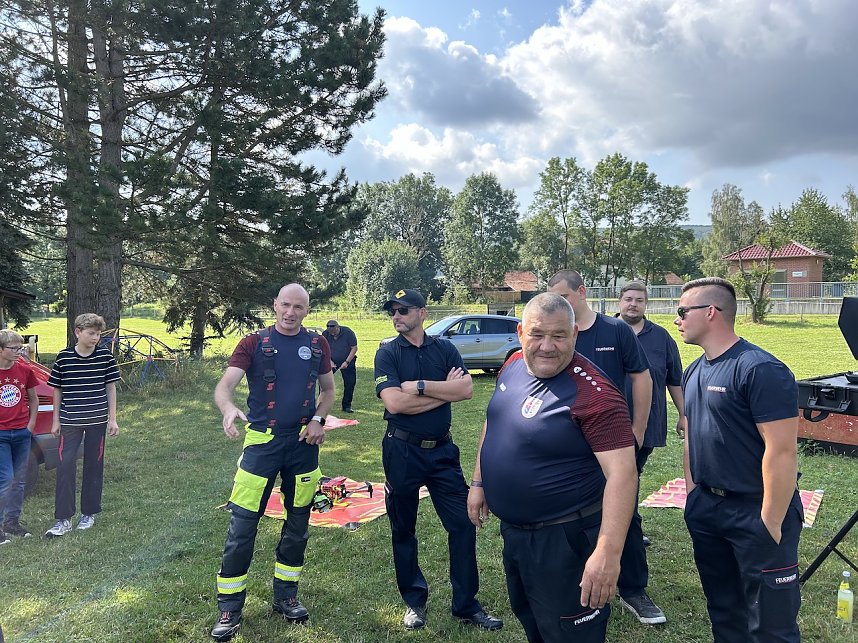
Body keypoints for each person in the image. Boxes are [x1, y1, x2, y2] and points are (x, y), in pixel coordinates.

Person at [468, 292, 637, 642]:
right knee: (534, 622)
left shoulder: (596, 395)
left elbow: (623, 474)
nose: (547, 346)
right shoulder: (514, 363)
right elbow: (494, 420)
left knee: (569, 633)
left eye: (559, 336)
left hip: (565, 541)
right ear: (520, 333)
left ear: (574, 335)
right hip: (516, 534)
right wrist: (479, 482)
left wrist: (607, 552)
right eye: (537, 334)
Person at [677, 277, 802, 642]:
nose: (677, 319)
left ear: (711, 312)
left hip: (755, 511)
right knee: (725, 612)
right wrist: (692, 494)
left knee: (769, 625)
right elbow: (691, 435)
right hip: (707, 509)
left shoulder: (760, 369)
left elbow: (782, 451)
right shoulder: (694, 369)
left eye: (683, 311)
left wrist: (770, 522)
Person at [210, 283, 334, 642]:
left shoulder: (317, 344)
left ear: (307, 311)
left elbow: (327, 392)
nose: (290, 312)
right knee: (242, 526)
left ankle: (286, 596)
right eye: (285, 305)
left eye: (298, 307)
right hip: (262, 443)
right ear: (274, 305)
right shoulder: (252, 343)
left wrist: (318, 420)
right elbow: (225, 385)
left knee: (298, 524)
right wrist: (228, 407)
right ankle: (230, 608)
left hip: (303, 443)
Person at [374, 288, 502, 632]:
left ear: (422, 313)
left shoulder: (445, 348)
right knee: (404, 528)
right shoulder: (386, 352)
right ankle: (414, 601)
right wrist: (439, 391)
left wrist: (415, 386)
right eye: (393, 311)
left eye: (403, 310)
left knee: (462, 524)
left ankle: (466, 605)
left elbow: (465, 391)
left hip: (443, 452)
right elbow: (394, 405)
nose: (396, 316)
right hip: (401, 451)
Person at [547, 270, 664, 625]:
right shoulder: (559, 334)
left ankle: (633, 589)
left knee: (622, 513)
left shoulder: (615, 331)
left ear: (582, 292)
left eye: (564, 298)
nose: (558, 306)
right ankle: (574, 585)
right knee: (570, 515)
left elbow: (641, 377)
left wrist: (638, 428)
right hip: (567, 445)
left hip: (611, 443)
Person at [45, 313, 120, 538]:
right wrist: (55, 419)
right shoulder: (64, 357)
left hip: (97, 421)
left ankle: (89, 513)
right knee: (65, 466)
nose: (95, 338)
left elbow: (111, 388)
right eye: (91, 333)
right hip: (69, 422)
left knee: (94, 466)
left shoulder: (105, 357)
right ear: (77, 332)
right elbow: (57, 389)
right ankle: (64, 519)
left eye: (98, 334)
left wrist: (112, 418)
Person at [616, 282, 686, 471]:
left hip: (647, 422)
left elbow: (674, 379)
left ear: (646, 304)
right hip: (609, 420)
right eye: (628, 299)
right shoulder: (605, 332)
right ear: (619, 302)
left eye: (639, 300)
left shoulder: (661, 337)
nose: (633, 304)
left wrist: (683, 414)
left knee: (632, 474)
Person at [0, 330, 39, 542]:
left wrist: (31, 425)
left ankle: (12, 522)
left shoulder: (24, 370)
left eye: (20, 347)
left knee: (19, 480)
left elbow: (33, 400)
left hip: (22, 432)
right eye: (13, 348)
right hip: (1, 434)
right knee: (5, 478)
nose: (18, 351)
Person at [322, 319, 358, 413]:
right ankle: (321, 404)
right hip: (331, 360)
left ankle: (346, 406)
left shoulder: (348, 332)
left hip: (347, 359)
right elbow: (323, 349)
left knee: (350, 383)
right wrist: (329, 361)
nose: (333, 335)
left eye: (334, 332)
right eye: (331, 333)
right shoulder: (325, 334)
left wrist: (346, 362)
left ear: (338, 327)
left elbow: (354, 348)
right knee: (324, 382)